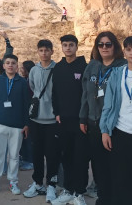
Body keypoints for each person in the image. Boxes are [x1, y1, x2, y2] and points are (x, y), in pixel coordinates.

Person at [100, 36, 132, 205]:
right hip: (119, 133)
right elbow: (108, 105)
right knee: (120, 180)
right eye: (129, 49)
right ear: (124, 52)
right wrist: (105, 130)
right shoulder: (116, 74)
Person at [79, 31, 126, 205]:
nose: (104, 48)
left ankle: (116, 198)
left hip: (115, 125)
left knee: (115, 164)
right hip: (93, 123)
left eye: (108, 44)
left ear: (115, 46)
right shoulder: (92, 66)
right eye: (101, 44)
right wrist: (83, 118)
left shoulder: (122, 67)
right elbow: (85, 93)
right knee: (98, 164)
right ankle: (104, 197)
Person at [52, 35, 89, 205]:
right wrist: (56, 112)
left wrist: (85, 117)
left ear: (76, 47)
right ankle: (68, 189)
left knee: (80, 158)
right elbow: (55, 93)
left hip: (80, 121)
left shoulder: (84, 66)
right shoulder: (58, 67)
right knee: (66, 157)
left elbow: (87, 95)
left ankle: (79, 192)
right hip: (63, 121)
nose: (68, 48)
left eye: (71, 45)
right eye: (65, 45)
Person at [0, 54, 30, 196]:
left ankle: (13, 181)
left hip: (17, 126)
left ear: (17, 66)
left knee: (14, 155)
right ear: (3, 65)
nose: (10, 65)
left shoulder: (22, 82)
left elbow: (26, 104)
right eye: (8, 63)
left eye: (13, 63)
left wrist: (26, 124)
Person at [23, 40, 59, 203]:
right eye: (41, 50)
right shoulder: (34, 71)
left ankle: (51, 184)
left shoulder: (57, 69)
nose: (44, 53)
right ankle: (38, 183)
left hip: (53, 119)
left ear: (52, 51)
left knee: (52, 154)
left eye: (47, 50)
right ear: (37, 52)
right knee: (36, 154)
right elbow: (33, 88)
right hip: (36, 119)